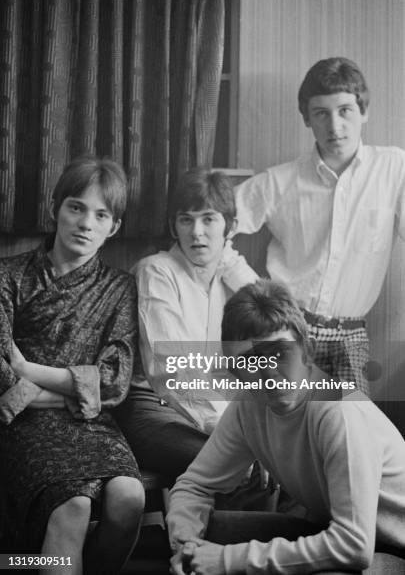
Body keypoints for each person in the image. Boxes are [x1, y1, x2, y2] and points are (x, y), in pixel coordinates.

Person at [167, 279, 405, 575]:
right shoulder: (247, 407)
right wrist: (188, 546)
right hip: (328, 531)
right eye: (251, 360)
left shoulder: (338, 410)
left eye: (279, 353)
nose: (268, 371)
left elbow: (353, 546)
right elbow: (194, 486)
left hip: (389, 549)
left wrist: (226, 560)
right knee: (206, 534)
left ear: (308, 351)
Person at [0, 157, 144, 575]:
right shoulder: (9, 276)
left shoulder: (120, 288)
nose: (86, 223)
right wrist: (72, 393)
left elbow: (114, 379)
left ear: (113, 227)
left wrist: (30, 374)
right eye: (76, 207)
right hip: (23, 424)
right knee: (73, 506)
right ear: (55, 209)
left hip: (94, 426)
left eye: (101, 215)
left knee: (129, 498)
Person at [234, 57, 405, 395]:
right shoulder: (280, 182)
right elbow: (214, 225)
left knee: (354, 429)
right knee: (288, 426)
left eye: (345, 111)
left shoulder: (393, 168)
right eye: (321, 113)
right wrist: (251, 288)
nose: (335, 126)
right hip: (288, 328)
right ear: (307, 119)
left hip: (351, 334)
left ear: (364, 112)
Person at [115, 170, 258, 479]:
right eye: (185, 220)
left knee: (284, 457)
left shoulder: (230, 275)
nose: (196, 232)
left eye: (209, 219)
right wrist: (225, 429)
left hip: (218, 402)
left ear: (230, 227)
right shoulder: (157, 271)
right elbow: (172, 369)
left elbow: (272, 328)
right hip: (154, 406)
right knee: (237, 465)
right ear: (173, 226)